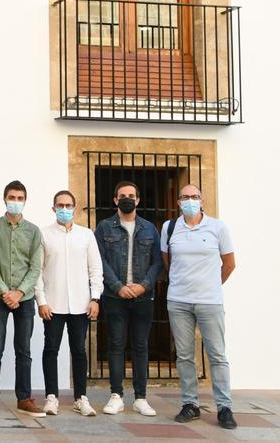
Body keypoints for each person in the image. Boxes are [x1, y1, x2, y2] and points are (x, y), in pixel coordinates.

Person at [162, 184, 237, 430]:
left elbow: (229, 264)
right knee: (184, 356)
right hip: (178, 300)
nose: (190, 201)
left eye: (194, 197)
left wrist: (212, 285)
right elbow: (167, 261)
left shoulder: (218, 227)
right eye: (185, 197)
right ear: (178, 202)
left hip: (210, 301)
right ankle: (190, 404)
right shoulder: (170, 227)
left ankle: (224, 407)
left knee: (217, 355)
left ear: (202, 200)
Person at [94, 180, 162, 418]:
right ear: (115, 200)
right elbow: (98, 261)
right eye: (122, 195)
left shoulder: (149, 228)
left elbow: (157, 263)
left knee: (141, 346)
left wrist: (143, 286)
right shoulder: (104, 227)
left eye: (131, 195)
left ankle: (141, 398)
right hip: (115, 296)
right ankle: (116, 396)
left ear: (138, 200)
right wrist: (118, 286)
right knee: (115, 345)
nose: (127, 199)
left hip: (143, 298)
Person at [36, 191, 102, 417]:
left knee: (79, 351)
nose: (64, 208)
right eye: (60, 205)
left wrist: (95, 298)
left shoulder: (86, 235)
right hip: (53, 304)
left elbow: (95, 269)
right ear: (53, 208)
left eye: (68, 205)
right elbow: (38, 270)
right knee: (51, 350)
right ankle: (51, 397)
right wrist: (41, 300)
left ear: (75, 207)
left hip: (81, 304)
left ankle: (80, 397)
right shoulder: (44, 235)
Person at [0, 180, 44, 418]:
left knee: (24, 350)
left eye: (19, 198)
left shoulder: (33, 231)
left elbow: (35, 267)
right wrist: (5, 291)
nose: (15, 202)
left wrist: (19, 292)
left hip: (25, 298)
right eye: (12, 197)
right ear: (4, 199)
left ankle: (24, 398)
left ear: (25, 201)